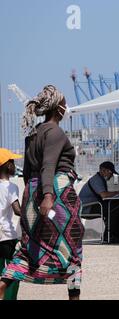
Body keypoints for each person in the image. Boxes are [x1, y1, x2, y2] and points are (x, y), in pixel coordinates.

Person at [0, 85, 84, 300]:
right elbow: (49, 165)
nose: (66, 108)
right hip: (57, 196)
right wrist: (48, 196)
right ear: (58, 108)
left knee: (29, 248)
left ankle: (3, 284)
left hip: (33, 194)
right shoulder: (55, 132)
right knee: (72, 248)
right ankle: (74, 296)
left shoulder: (33, 133)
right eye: (65, 104)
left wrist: (34, 198)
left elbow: (28, 174)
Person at [79, 161, 119, 243]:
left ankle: (112, 234)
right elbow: (104, 195)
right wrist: (118, 192)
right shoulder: (96, 180)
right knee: (115, 205)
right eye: (110, 172)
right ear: (103, 170)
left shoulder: (100, 179)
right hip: (86, 208)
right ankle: (108, 236)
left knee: (114, 206)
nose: (111, 175)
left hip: (92, 205)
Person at [0, 148, 22, 300]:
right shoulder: (10, 186)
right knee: (16, 269)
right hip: (6, 235)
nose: (15, 166)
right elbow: (17, 211)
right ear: (8, 166)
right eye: (13, 162)